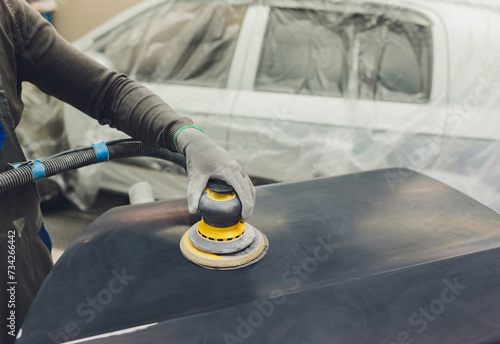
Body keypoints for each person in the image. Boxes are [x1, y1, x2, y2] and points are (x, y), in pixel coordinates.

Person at [0, 0, 255, 342]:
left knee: (27, 331)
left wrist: (187, 136)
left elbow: (107, 91)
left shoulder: (8, 18)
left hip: (13, 249)